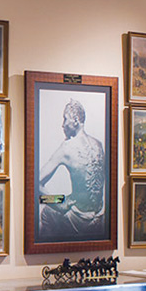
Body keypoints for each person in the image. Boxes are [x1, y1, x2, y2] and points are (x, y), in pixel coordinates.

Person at [38, 98, 106, 240]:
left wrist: (59, 202)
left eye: (65, 119)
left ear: (75, 120)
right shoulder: (98, 144)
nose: (62, 125)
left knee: (46, 212)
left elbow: (35, 183)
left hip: (79, 218)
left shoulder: (67, 148)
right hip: (100, 215)